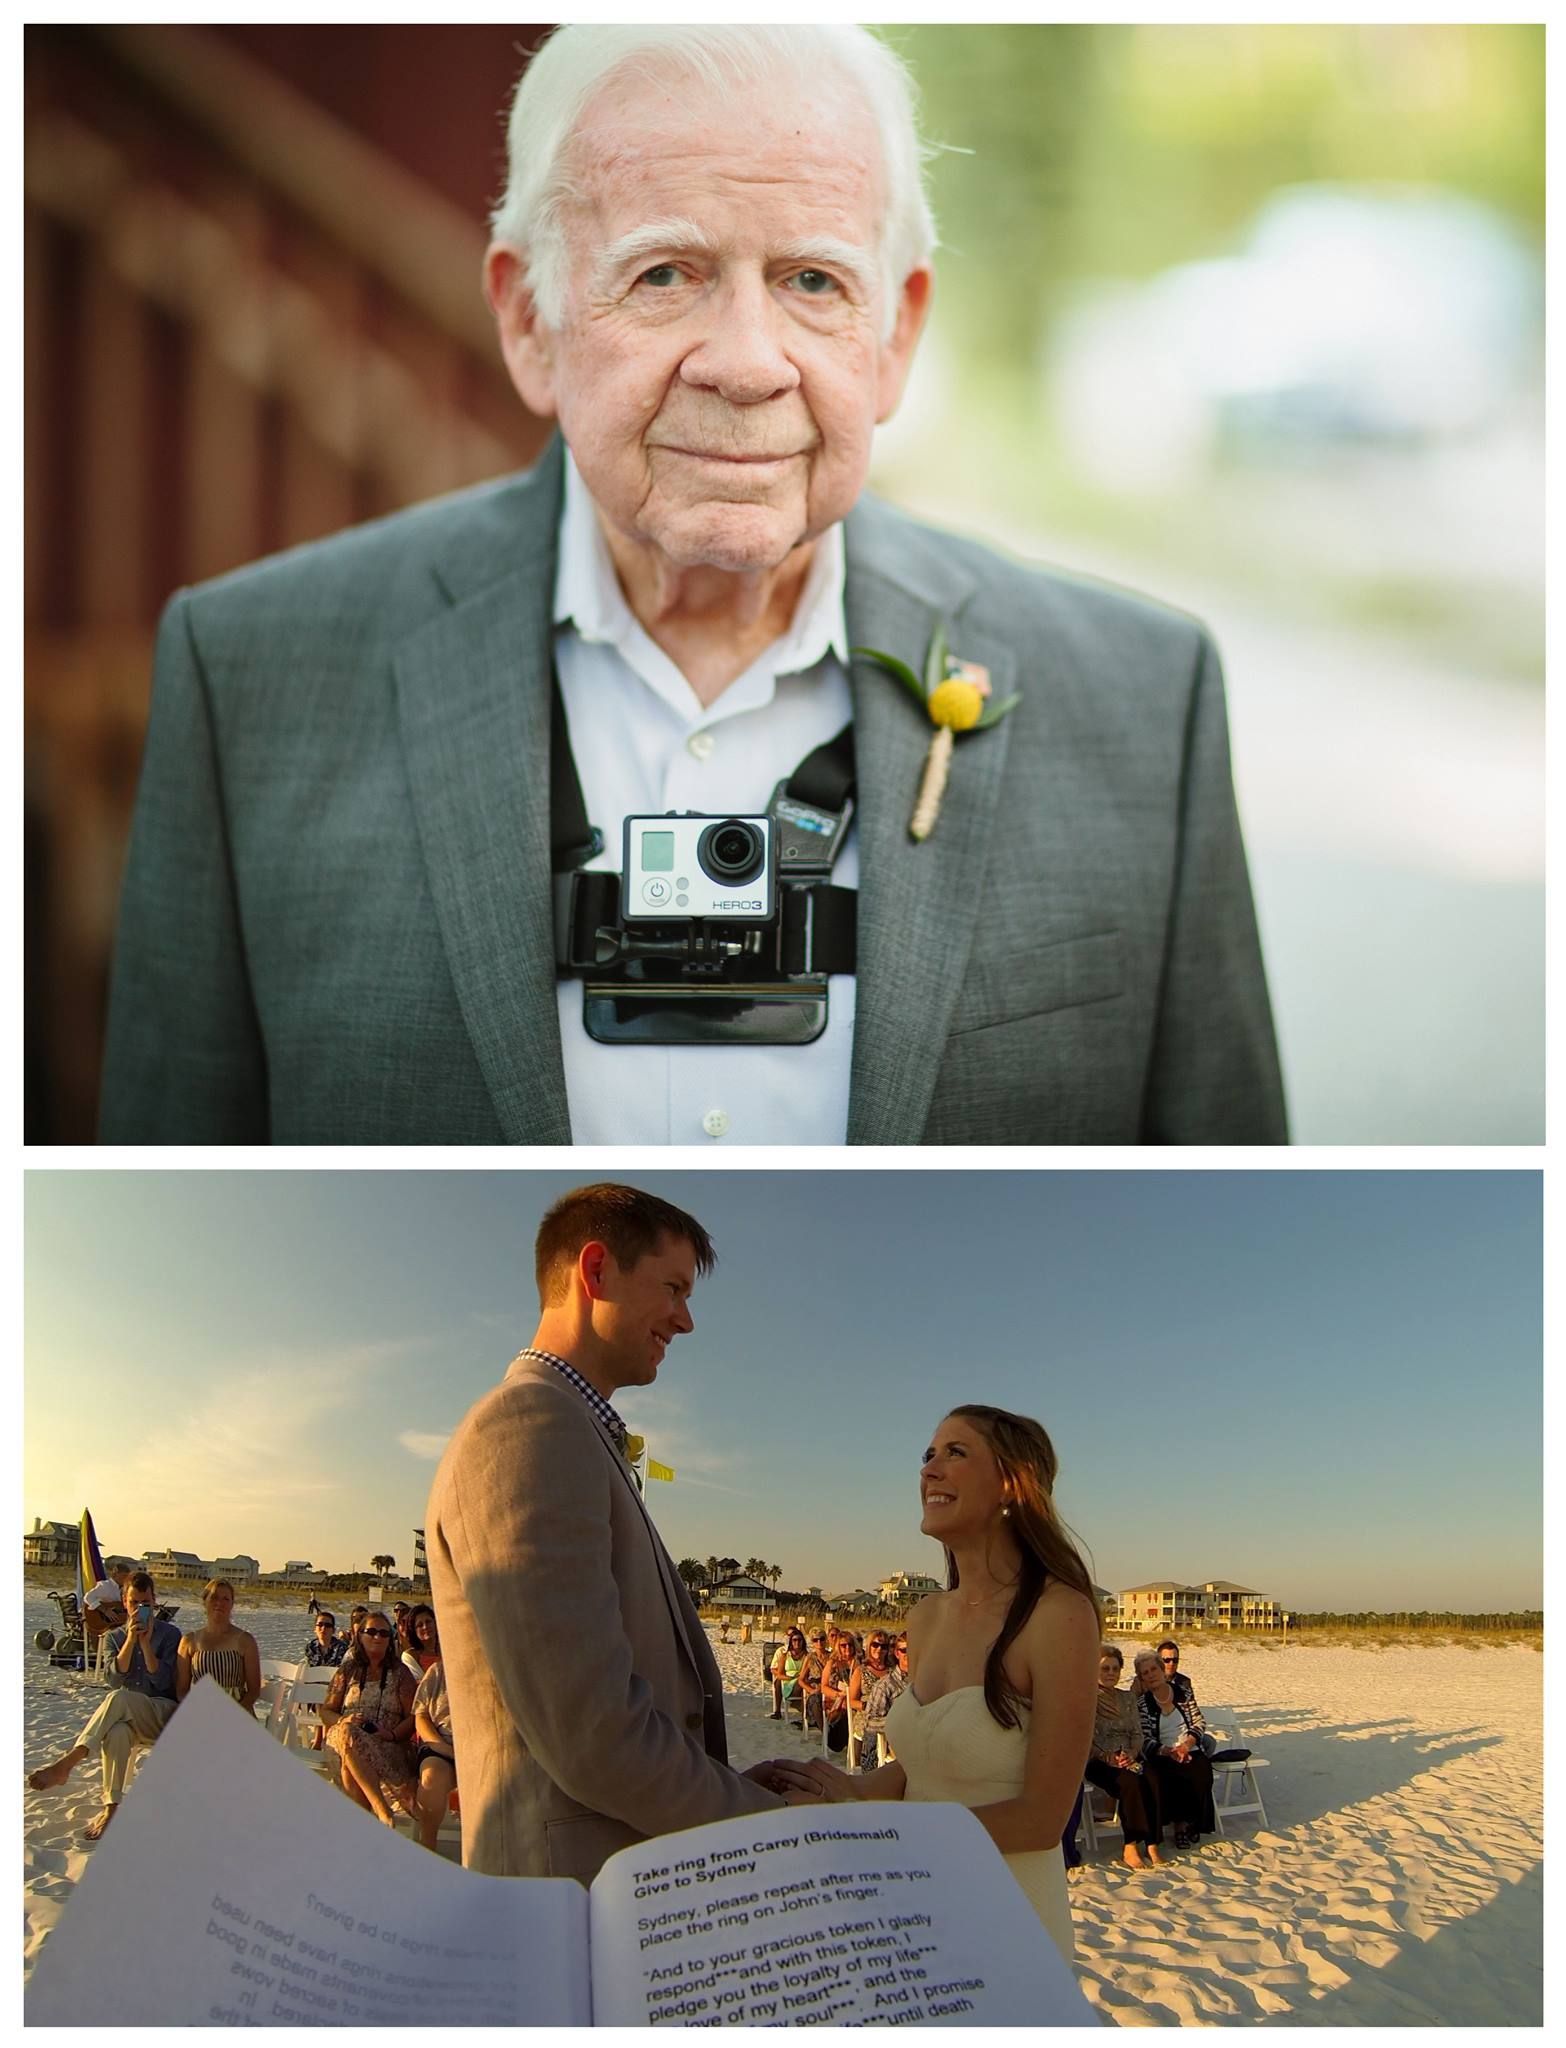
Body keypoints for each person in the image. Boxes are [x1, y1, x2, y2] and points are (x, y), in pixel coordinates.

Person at [99, 23, 1285, 1150]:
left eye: (815, 283)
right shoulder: (250, 676)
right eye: (666, 273)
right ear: (530, 319)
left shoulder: (1144, 703)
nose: (748, 362)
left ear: (897, 335)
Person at [426, 1183, 814, 1883]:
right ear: (596, 1271)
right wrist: (781, 1828)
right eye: (672, 1288)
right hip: (570, 1904)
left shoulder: (572, 1431)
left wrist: (722, 1782)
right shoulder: (528, 1428)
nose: (686, 1320)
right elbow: (596, 1737)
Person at [797, 1407, 1101, 1969]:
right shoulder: (927, 1616)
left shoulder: (1058, 1615)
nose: (930, 1470)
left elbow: (1042, 1819)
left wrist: (885, 1835)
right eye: (927, 1456)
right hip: (919, 1902)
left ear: (1013, 1481)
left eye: (955, 1453)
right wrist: (849, 1791)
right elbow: (929, 1762)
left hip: (1006, 1913)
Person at [27, 1571, 181, 1841]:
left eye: (146, 1603)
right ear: (125, 1602)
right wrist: (131, 1640)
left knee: (118, 1699)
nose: (140, 1609)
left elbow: (163, 1681)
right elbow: (112, 1678)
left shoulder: (170, 1635)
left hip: (161, 1712)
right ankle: (112, 1805)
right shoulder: (114, 1637)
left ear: (154, 1601)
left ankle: (69, 1762)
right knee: (117, 1731)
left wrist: (145, 1645)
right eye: (135, 1603)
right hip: (126, 1713)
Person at [319, 1610, 418, 1826]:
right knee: (347, 1734)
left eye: (384, 1633)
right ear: (359, 1635)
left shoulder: (400, 1673)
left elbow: (413, 1716)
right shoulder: (348, 1671)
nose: (377, 1637)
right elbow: (326, 1710)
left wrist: (391, 1734)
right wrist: (342, 1721)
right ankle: (380, 1809)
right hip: (343, 1737)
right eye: (371, 1631)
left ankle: (364, 1826)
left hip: (385, 1744)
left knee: (350, 1765)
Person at [1085, 1643, 1167, 1871]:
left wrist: (1131, 1753)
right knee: (1130, 1783)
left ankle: (1152, 1843)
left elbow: (1137, 1733)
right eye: (1105, 1668)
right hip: (1098, 1760)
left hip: (1128, 1757)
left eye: (1115, 1668)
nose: (1111, 1673)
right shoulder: (1087, 1698)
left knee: (1152, 1777)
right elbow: (1085, 1737)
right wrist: (1106, 1757)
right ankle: (1130, 1844)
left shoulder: (1127, 1698)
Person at [1133, 1647, 1216, 1850]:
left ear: (1162, 1670)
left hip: (1189, 1747)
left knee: (1201, 1770)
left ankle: (1192, 1822)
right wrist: (1168, 1751)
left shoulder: (1183, 1693)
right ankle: (1178, 1826)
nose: (1151, 1675)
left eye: (1154, 1669)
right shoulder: (1143, 1703)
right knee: (1166, 1774)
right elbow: (1146, 1737)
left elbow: (1198, 1722)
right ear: (1141, 1679)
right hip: (1162, 1752)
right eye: (1145, 1673)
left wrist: (1187, 1745)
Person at [175, 1579, 261, 1712]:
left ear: (232, 1604)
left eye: (225, 1599)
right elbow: (182, 1691)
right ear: (205, 1601)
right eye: (214, 1597)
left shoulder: (245, 1641)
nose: (219, 1603)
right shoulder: (189, 1641)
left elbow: (254, 1691)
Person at [411, 1656, 457, 1854]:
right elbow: (421, 1717)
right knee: (431, 1779)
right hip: (441, 1744)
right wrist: (444, 1748)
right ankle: (428, 1850)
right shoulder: (437, 1671)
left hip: (484, 1746)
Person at [858, 1630, 905, 1770]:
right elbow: (871, 1720)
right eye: (875, 1645)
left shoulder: (921, 1681)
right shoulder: (865, 1673)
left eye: (883, 1646)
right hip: (869, 1714)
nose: (879, 1649)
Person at [769, 1628, 810, 1720]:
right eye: (794, 1640)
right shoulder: (784, 1655)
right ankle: (778, 1710)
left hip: (801, 1679)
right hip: (788, 1681)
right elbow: (778, 1673)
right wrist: (790, 1677)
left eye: (799, 1640)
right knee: (779, 1682)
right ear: (791, 1641)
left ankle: (805, 1715)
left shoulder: (807, 1656)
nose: (797, 1642)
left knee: (804, 1683)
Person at [404, 1605, 441, 1676]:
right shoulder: (410, 1656)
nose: (425, 1627)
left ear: (435, 1623)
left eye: (428, 1622)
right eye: (420, 1625)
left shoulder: (446, 1650)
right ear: (413, 1630)